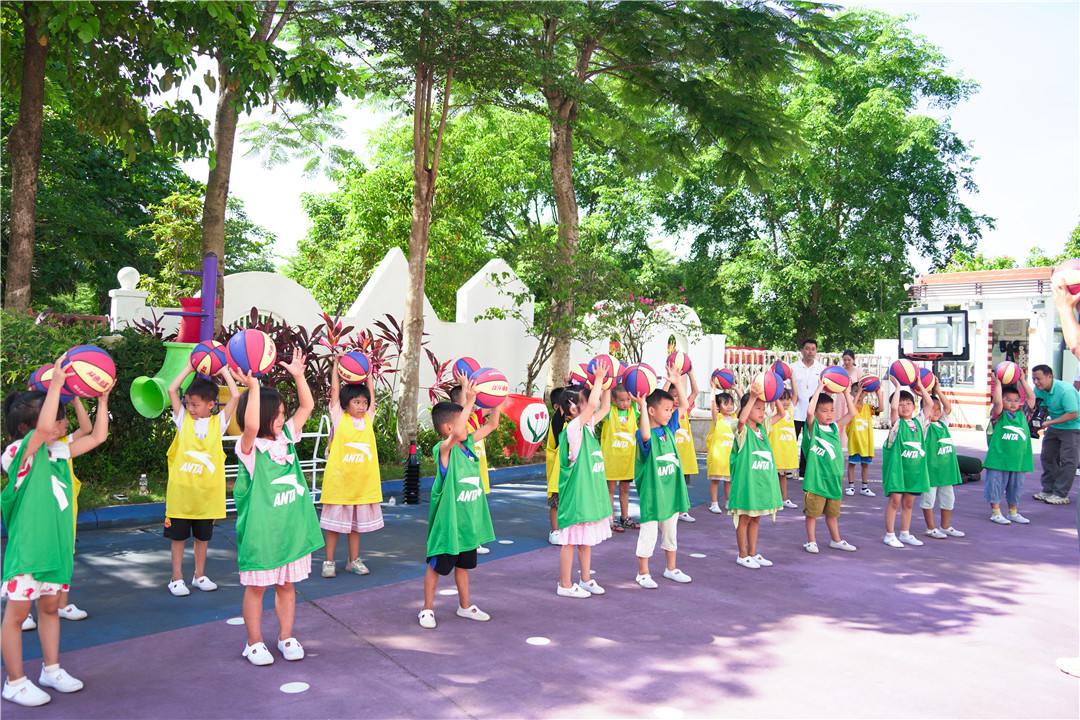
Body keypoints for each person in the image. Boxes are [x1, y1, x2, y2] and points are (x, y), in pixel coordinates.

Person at [2, 357, 110, 707]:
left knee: (49, 610)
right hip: (28, 552)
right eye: (57, 418)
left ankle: (51, 669)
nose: (62, 423)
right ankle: (15, 681)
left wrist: (103, 399)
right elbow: (44, 426)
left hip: (55, 551)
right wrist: (56, 386)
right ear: (28, 428)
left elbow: (98, 435)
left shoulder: (59, 454)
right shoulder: (19, 454)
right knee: (17, 616)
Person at [232, 350, 324, 666]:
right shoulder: (248, 447)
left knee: (287, 587)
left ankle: (286, 636)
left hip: (289, 532)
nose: (284, 418)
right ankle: (254, 642)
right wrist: (254, 388)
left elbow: (308, 406)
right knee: (257, 588)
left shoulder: (286, 437)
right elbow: (252, 425)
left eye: (285, 412)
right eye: (279, 413)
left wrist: (299, 376)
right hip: (262, 534)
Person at [419, 372, 502, 628]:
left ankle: (465, 606)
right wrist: (469, 401)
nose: (468, 426)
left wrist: (497, 398)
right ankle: (427, 608)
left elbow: (491, 426)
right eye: (463, 422)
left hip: (467, 525)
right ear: (448, 428)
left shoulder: (467, 445)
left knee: (463, 566)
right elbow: (457, 431)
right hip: (448, 526)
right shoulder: (444, 450)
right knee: (436, 566)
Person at [164, 362, 240, 597]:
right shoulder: (182, 420)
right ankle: (176, 578)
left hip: (207, 495)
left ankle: (199, 575)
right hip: (181, 494)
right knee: (178, 538)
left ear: (211, 405)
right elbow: (170, 390)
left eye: (195, 404)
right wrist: (188, 366)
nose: (190, 408)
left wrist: (223, 367)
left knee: (202, 538)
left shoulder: (219, 424)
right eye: (188, 403)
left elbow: (235, 394)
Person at [553, 362, 613, 598]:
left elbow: (605, 407)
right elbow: (592, 407)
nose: (591, 402)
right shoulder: (572, 430)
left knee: (585, 540)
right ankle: (564, 584)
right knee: (569, 541)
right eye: (585, 401)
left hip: (587, 497)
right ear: (573, 408)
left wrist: (609, 381)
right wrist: (598, 379)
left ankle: (585, 579)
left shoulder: (586, 426)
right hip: (575, 498)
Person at [320, 355, 383, 578]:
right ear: (346, 405)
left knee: (356, 527)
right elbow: (335, 391)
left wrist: (368, 373)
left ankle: (353, 560)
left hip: (361, 485)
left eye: (364, 403)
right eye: (356, 402)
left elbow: (371, 394)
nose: (362, 406)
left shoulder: (369, 418)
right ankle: (328, 562)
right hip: (339, 483)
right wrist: (337, 367)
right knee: (335, 527)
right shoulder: (339, 416)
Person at [632, 364, 692, 588]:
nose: (670, 412)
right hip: (653, 494)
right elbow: (646, 432)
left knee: (670, 533)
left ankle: (671, 568)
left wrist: (676, 382)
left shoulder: (670, 427)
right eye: (666, 409)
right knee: (648, 533)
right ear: (651, 411)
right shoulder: (644, 434)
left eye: (670, 409)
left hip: (671, 491)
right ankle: (643, 572)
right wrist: (642, 406)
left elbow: (684, 404)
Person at [801, 380, 858, 553]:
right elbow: (809, 411)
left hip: (833, 481)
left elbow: (852, 413)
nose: (829, 414)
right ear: (816, 413)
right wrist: (819, 388)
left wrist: (846, 393)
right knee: (812, 514)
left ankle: (836, 540)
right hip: (816, 481)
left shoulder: (834, 427)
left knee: (832, 515)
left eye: (831, 410)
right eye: (824, 411)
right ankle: (811, 541)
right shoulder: (813, 428)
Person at [729, 389, 783, 569]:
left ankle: (753, 553)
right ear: (747, 407)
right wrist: (752, 397)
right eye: (757, 408)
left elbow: (781, 414)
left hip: (760, 482)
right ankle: (742, 554)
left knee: (756, 518)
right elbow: (742, 420)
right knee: (744, 518)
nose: (762, 412)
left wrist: (775, 395)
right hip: (746, 484)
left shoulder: (763, 427)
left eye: (764, 408)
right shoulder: (741, 429)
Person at [881, 377, 933, 548]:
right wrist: (898, 387)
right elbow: (894, 407)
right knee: (895, 501)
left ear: (914, 406)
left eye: (908, 404)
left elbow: (930, 405)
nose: (904, 407)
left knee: (908, 503)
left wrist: (920, 387)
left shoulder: (919, 423)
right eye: (901, 404)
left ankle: (905, 533)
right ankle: (890, 535)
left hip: (914, 471)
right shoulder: (896, 425)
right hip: (898, 471)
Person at [983, 374, 1036, 525]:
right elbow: (998, 402)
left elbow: (1031, 398)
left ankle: (1013, 512)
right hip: (999, 459)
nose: (1013, 403)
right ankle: (996, 512)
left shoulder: (1023, 414)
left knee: (1016, 488)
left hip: (1018, 460)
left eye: (1016, 400)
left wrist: (1023, 381)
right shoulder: (998, 415)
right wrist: (998, 383)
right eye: (1009, 400)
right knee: (995, 486)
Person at [449, 384, 494, 553]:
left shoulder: (474, 419)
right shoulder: (456, 431)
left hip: (478, 473)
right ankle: (469, 542)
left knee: (476, 509)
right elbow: (462, 408)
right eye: (469, 399)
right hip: (464, 476)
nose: (473, 403)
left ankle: (474, 540)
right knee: (465, 509)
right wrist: (464, 387)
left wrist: (496, 392)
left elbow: (492, 414)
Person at [1031, 365, 1080, 505]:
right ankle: (1048, 489)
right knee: (1047, 456)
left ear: (1049, 377)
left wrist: (1048, 423)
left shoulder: (1065, 390)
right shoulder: (1039, 390)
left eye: (1038, 379)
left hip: (1073, 426)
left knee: (1068, 460)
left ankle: (1061, 494)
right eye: (1034, 379)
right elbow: (1038, 406)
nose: (1036, 382)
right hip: (1054, 425)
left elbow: (1073, 414)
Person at [919, 393, 966, 538]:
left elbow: (948, 407)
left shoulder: (942, 424)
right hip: (931, 471)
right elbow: (926, 411)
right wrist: (923, 392)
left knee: (949, 500)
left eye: (938, 408)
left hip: (946, 471)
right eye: (932, 408)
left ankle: (945, 526)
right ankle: (930, 528)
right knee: (929, 500)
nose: (937, 411)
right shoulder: (924, 426)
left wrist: (938, 391)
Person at [601, 384, 640, 533]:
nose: (626, 403)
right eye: (622, 400)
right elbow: (602, 396)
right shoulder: (609, 412)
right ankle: (610, 519)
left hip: (627, 461)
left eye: (628, 400)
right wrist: (607, 381)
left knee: (625, 489)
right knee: (610, 490)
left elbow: (644, 396)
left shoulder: (633, 412)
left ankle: (625, 517)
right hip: (612, 460)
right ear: (614, 401)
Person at [791, 339, 825, 477]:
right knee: (790, 441)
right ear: (801, 350)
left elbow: (827, 389)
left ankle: (804, 472)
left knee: (810, 442)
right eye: (807, 349)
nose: (810, 352)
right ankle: (788, 469)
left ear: (816, 351)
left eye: (813, 349)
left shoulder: (822, 369)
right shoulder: (792, 367)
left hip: (812, 413)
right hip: (795, 412)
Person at [845, 378, 883, 497]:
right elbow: (852, 405)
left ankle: (864, 487)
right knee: (852, 464)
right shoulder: (852, 406)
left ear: (866, 393)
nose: (860, 394)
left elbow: (881, 409)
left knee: (865, 465)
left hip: (866, 443)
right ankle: (851, 486)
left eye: (862, 392)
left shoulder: (868, 408)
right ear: (851, 393)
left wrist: (878, 393)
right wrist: (860, 390)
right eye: (856, 391)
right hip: (855, 442)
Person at [673, 369, 699, 522]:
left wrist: (690, 374)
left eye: (678, 396)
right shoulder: (667, 411)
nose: (676, 399)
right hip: (672, 454)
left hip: (684, 454)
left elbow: (695, 392)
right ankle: (672, 510)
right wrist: (670, 380)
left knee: (682, 485)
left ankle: (683, 511)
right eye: (673, 396)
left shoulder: (685, 409)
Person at [705, 391, 738, 513]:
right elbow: (712, 403)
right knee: (715, 480)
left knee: (729, 481)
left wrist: (735, 387)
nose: (729, 407)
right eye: (726, 404)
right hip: (718, 456)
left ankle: (729, 502)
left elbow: (743, 405)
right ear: (719, 407)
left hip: (729, 456)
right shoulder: (717, 418)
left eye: (731, 404)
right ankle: (714, 504)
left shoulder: (734, 418)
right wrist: (713, 387)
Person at [768, 390, 799, 509]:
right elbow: (772, 401)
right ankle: (771, 499)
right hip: (776, 450)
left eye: (787, 399)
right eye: (782, 399)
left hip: (786, 452)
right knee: (771, 476)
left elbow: (795, 395)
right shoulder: (772, 412)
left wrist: (791, 376)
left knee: (783, 475)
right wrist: (775, 394)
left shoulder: (791, 411)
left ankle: (784, 499)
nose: (785, 402)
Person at [545, 387, 566, 545]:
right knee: (556, 504)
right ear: (557, 407)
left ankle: (567, 528)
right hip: (559, 474)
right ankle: (555, 530)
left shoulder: (574, 421)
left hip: (572, 474)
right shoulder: (557, 422)